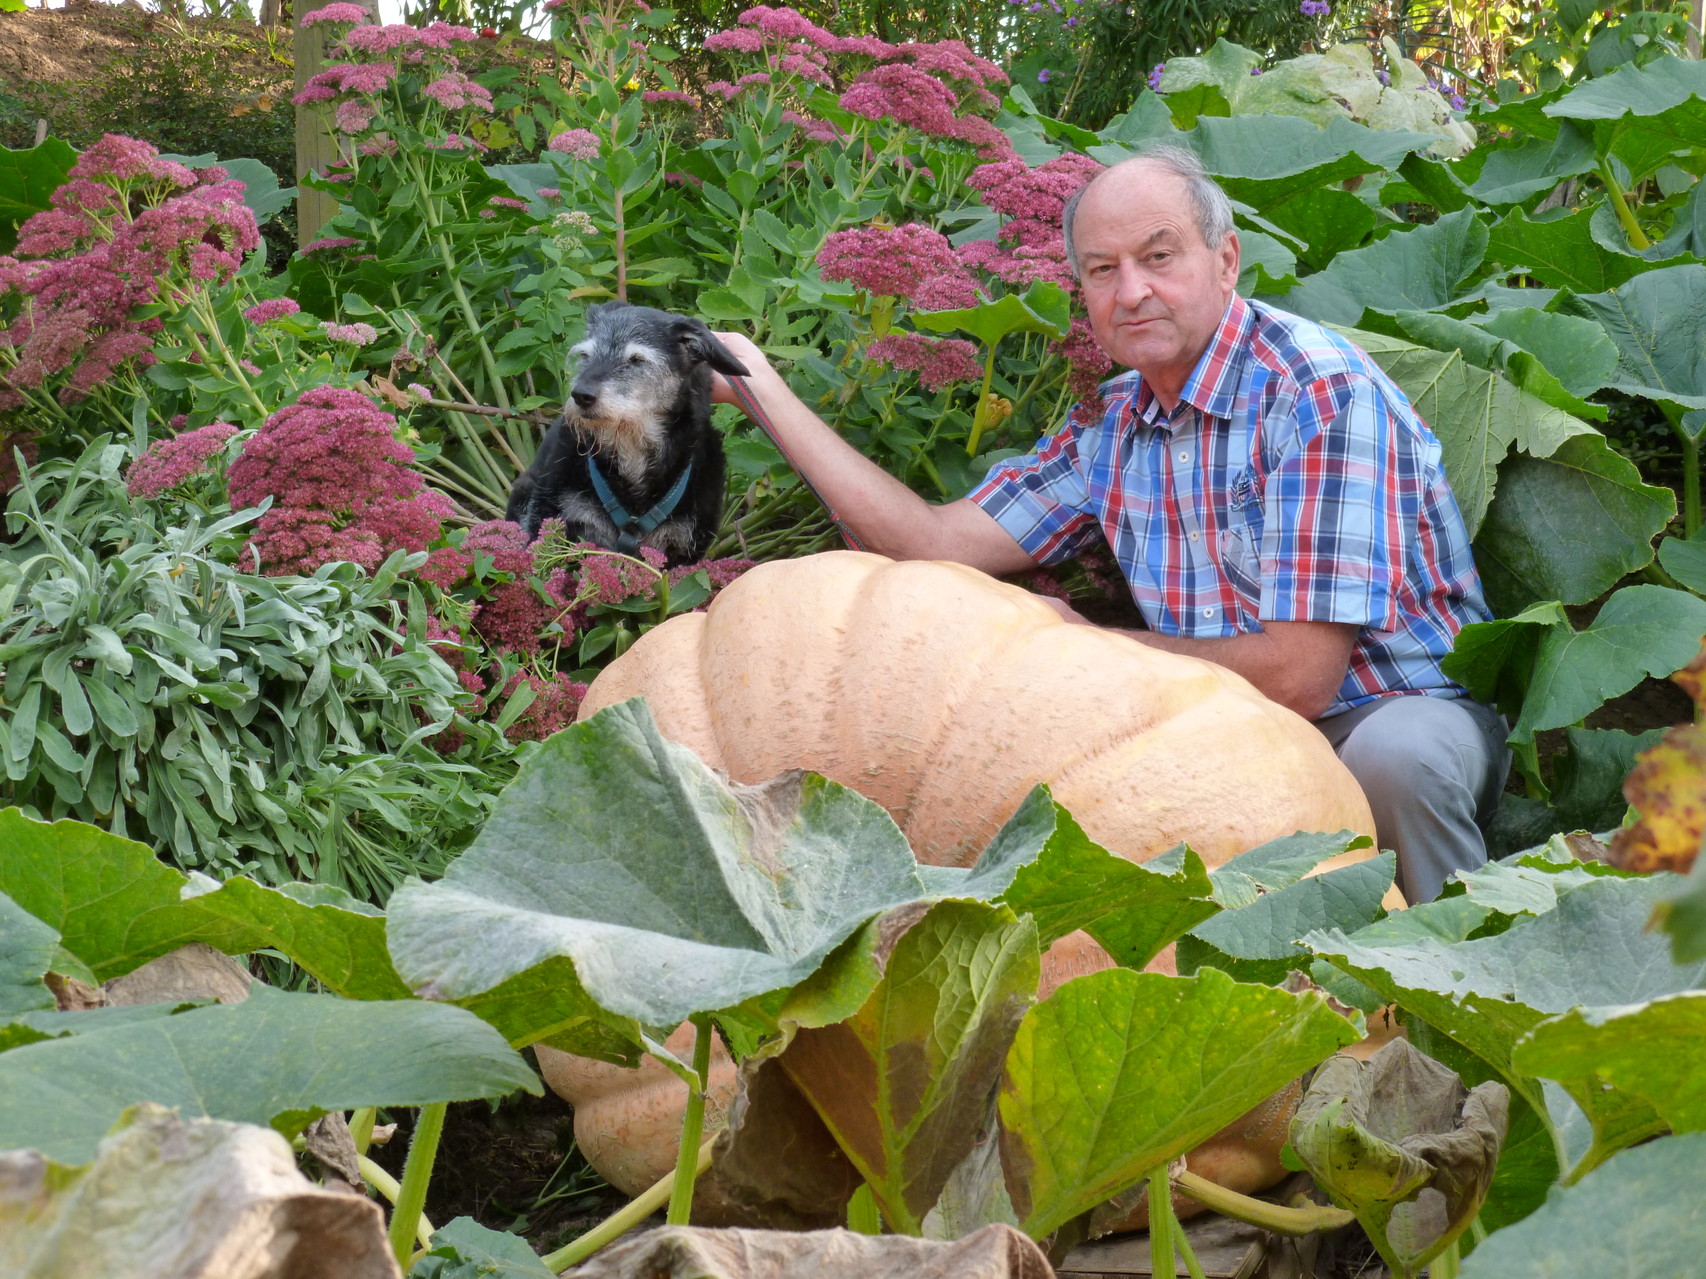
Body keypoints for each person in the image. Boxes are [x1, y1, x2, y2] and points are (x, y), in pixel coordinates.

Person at [707, 145, 1509, 903]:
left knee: (1394, 761)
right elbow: (933, 544)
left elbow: (1302, 676)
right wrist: (757, 386)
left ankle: (1463, 986)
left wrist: (1081, 643)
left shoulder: (1317, 393)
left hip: (1390, 709)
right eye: (1102, 269)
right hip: (1226, 724)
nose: (1131, 291)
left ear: (1224, 260)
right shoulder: (1114, 424)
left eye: (1159, 257)